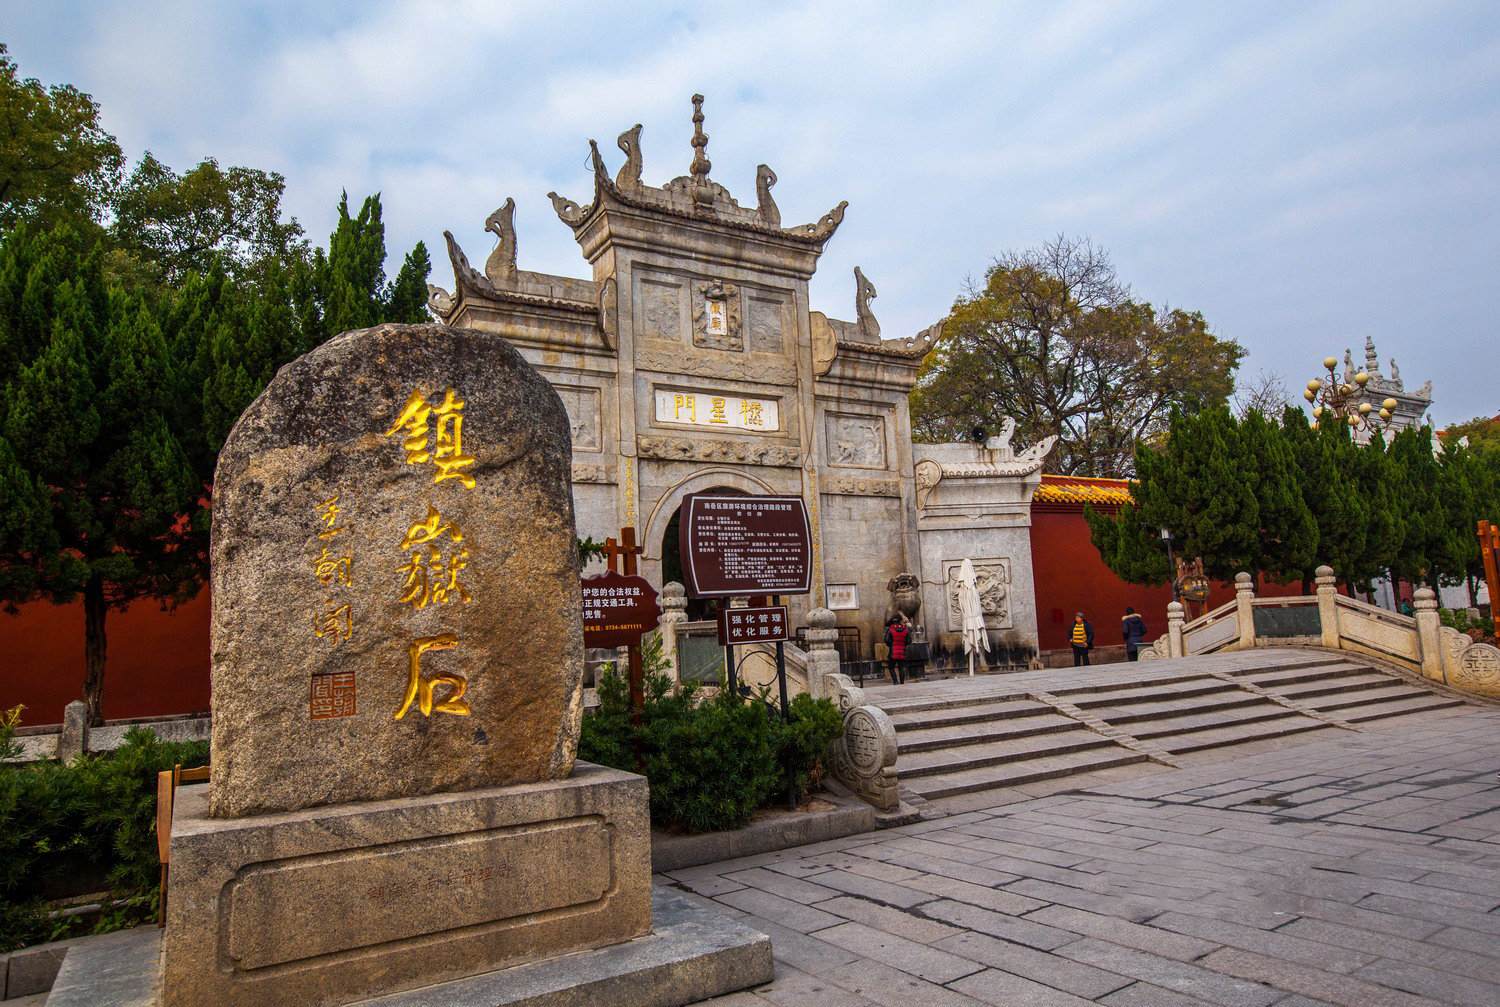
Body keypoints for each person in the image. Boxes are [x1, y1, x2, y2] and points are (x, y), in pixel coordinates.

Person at [884, 615, 910, 684]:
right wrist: (904, 644)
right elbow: (909, 640)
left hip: (893, 652)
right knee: (901, 668)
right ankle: (902, 682)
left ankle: (895, 681)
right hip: (901, 652)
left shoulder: (890, 629)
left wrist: (890, 645)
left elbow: (886, 640)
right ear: (900, 621)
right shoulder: (905, 629)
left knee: (891, 667)